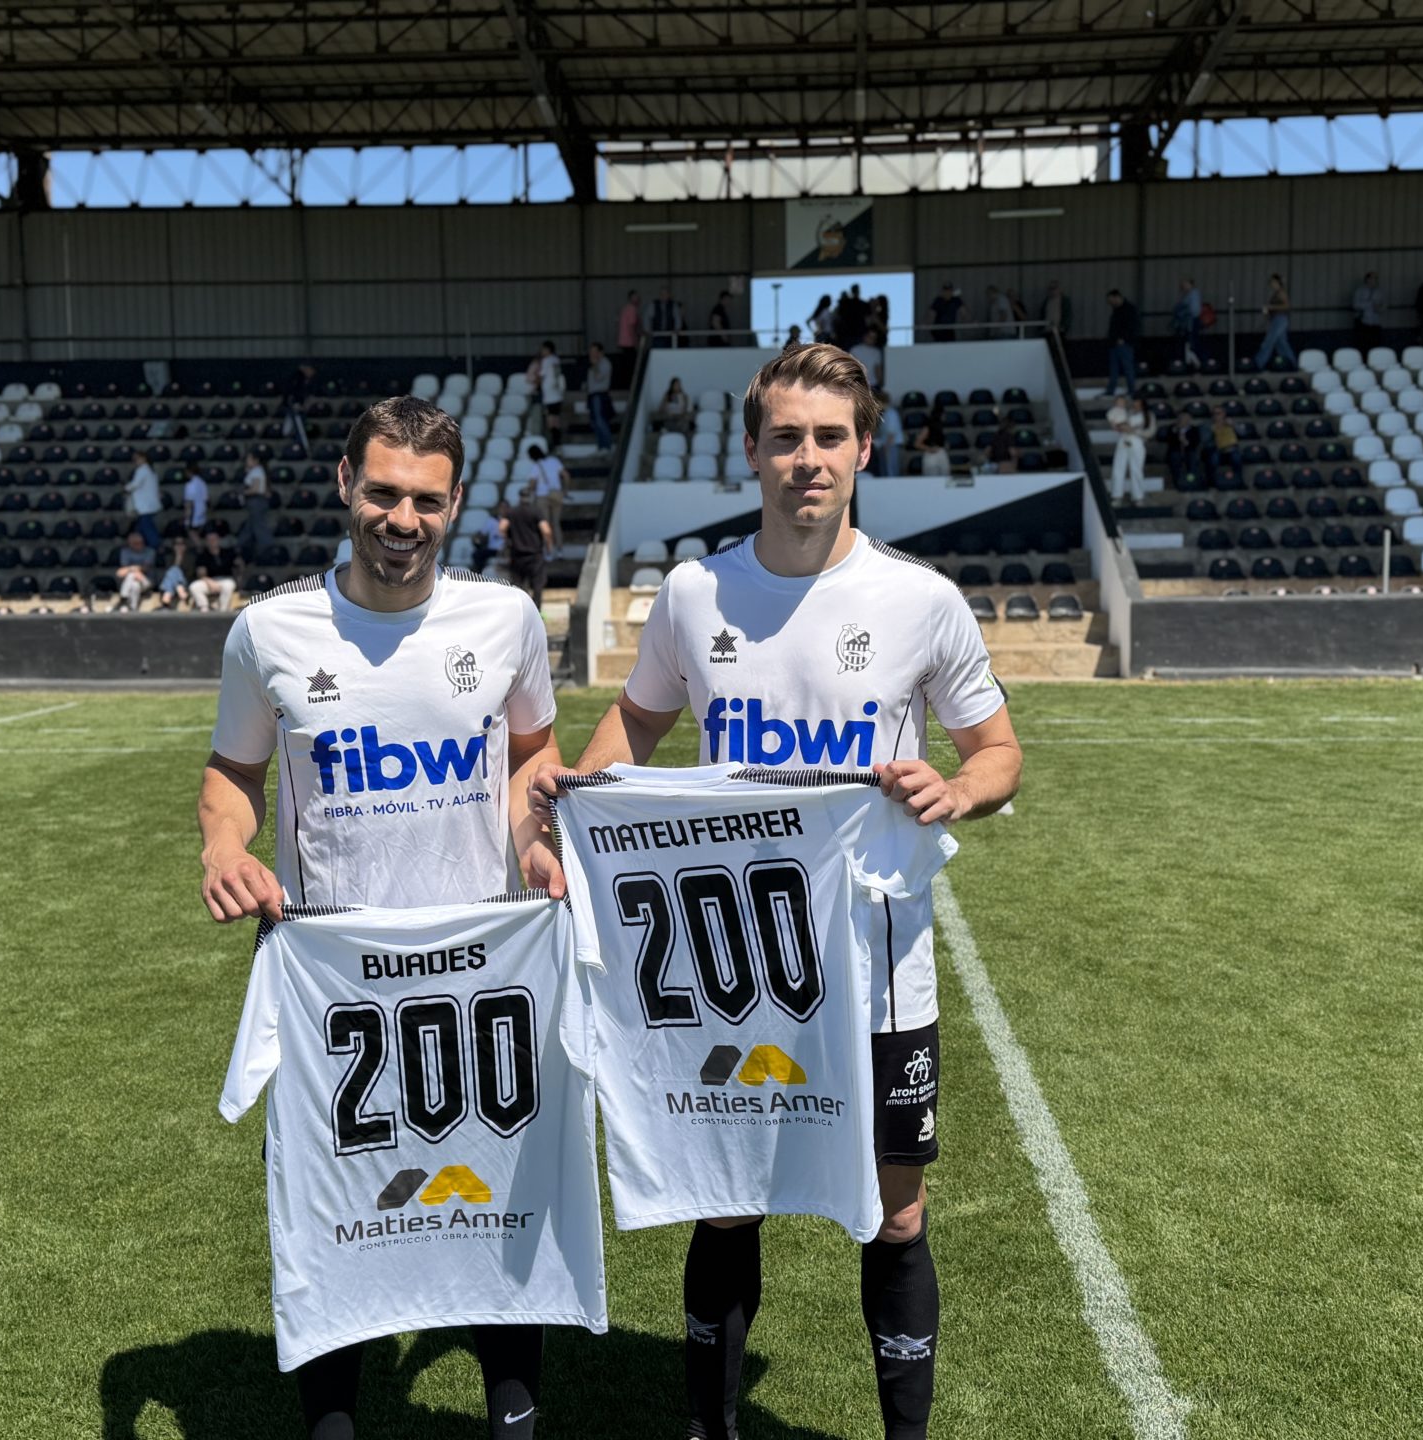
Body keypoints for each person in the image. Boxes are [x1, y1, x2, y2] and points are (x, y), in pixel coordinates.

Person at [529, 342, 1022, 1440]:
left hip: (877, 966)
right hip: (730, 969)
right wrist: (577, 806)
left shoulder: (921, 601)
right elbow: (637, 723)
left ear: (864, 450)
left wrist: (957, 788)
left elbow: (999, 752)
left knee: (896, 1217)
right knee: (726, 1203)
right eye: (787, 438)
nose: (809, 459)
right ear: (751, 451)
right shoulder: (695, 592)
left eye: (830, 438)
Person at [199, 393, 564, 1440]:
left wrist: (533, 837)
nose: (403, 520)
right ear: (346, 485)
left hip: (482, 972)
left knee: (499, 1200)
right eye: (384, 494)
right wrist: (226, 848)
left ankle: (513, 1418)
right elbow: (232, 774)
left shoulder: (504, 620)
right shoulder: (268, 631)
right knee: (335, 1216)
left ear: (456, 504)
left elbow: (533, 751)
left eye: (427, 502)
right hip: (334, 982)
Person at [499, 484, 553, 608]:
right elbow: (546, 531)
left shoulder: (511, 512)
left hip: (517, 554)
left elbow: (502, 527)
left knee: (518, 586)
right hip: (535, 555)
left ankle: (521, 610)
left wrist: (508, 540)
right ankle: (536, 610)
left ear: (519, 497)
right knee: (537, 585)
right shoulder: (536, 511)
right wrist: (549, 546)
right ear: (530, 497)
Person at [1106, 397, 1152, 502]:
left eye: (1138, 402)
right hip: (1123, 440)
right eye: (1135, 401)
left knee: (1136, 469)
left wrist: (1133, 430)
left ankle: (1138, 496)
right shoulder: (1126, 412)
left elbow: (1150, 432)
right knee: (1118, 468)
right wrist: (1118, 426)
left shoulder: (1148, 415)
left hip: (1137, 441)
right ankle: (1117, 496)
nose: (1136, 403)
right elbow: (1117, 423)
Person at [525, 442, 566, 543]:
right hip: (556, 494)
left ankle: (548, 548)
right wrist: (565, 491)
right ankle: (559, 547)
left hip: (542, 497)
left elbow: (533, 484)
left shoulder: (536, 466)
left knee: (545, 524)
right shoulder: (554, 461)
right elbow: (566, 475)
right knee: (556, 523)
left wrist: (528, 490)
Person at [1254, 274, 1295, 370]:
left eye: (1273, 282)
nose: (1271, 284)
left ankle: (1259, 363)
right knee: (1281, 343)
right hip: (1275, 319)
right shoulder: (1276, 294)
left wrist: (1271, 307)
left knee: (1269, 341)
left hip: (1280, 319)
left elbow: (1287, 306)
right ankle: (1291, 363)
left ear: (1277, 282)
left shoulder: (1281, 293)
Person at [191, 530, 239, 613]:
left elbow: (238, 566)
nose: (212, 541)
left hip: (226, 580)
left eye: (214, 539)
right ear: (206, 542)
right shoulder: (203, 555)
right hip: (209, 581)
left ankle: (223, 610)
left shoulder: (228, 553)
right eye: (209, 540)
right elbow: (201, 574)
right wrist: (211, 583)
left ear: (219, 540)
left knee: (228, 585)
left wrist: (240, 575)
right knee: (194, 586)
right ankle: (204, 608)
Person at [126, 450, 163, 551]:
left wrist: (126, 488)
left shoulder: (142, 470)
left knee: (146, 526)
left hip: (145, 505)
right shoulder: (151, 471)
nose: (135, 461)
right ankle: (139, 546)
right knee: (139, 528)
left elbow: (135, 484)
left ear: (143, 459)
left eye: (137, 459)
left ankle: (156, 546)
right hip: (149, 504)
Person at [1104, 289, 1139, 396]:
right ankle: (1111, 390)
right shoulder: (1116, 310)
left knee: (1127, 367)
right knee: (1113, 369)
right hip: (1114, 343)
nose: (1110, 303)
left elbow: (1132, 326)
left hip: (1124, 343)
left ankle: (1131, 390)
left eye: (1111, 301)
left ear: (1117, 297)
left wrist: (1124, 339)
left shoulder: (1129, 309)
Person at [239, 450, 273, 561]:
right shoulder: (256, 471)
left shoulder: (257, 471)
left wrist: (243, 492)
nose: (247, 461)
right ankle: (240, 546)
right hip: (256, 502)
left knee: (259, 527)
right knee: (250, 526)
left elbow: (256, 488)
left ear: (256, 460)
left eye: (249, 459)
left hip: (256, 501)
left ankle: (268, 549)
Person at [112, 530, 155, 612]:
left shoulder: (150, 551)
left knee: (131, 575)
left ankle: (123, 598)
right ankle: (133, 608)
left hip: (146, 581)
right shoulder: (125, 552)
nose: (138, 545)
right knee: (135, 584)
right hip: (132, 582)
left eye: (139, 543)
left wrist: (132, 570)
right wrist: (133, 570)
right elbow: (121, 572)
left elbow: (146, 568)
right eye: (134, 543)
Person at [536, 342, 566, 447]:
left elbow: (541, 375)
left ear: (548, 350)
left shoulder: (547, 360)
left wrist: (537, 384)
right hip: (557, 394)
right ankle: (557, 442)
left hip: (550, 396)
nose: (542, 352)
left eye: (543, 349)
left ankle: (554, 442)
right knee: (556, 419)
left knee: (551, 420)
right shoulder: (556, 360)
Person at [585, 343, 615, 452]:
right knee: (594, 422)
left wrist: (595, 364)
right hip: (592, 395)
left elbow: (598, 377)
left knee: (600, 420)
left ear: (600, 352)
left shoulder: (604, 363)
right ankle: (601, 446)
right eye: (591, 351)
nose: (592, 354)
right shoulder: (593, 365)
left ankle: (607, 446)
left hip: (600, 395)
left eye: (594, 351)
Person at [282, 363, 317, 448]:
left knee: (297, 428)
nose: (312, 373)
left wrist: (305, 405)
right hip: (293, 408)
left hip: (300, 408)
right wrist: (294, 404)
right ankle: (300, 444)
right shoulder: (297, 379)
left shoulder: (307, 381)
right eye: (310, 370)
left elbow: (308, 395)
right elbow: (289, 394)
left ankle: (300, 444)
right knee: (289, 430)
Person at [1205, 404, 1242, 485]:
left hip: (1232, 449)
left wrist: (1234, 425)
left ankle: (1239, 481)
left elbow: (1243, 433)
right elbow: (1205, 441)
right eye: (1214, 414)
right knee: (1213, 461)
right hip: (1218, 450)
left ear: (1224, 413)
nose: (1216, 416)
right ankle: (1212, 483)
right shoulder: (1209, 425)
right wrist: (1211, 432)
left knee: (1237, 459)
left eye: (1218, 413)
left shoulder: (1231, 422)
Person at [871, 388, 904, 477]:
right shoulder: (884, 414)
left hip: (891, 445)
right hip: (884, 445)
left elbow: (891, 434)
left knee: (891, 470)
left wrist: (887, 447)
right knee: (884, 470)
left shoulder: (891, 414)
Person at [1172, 278, 1203, 369]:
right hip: (1186, 323)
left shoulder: (1193, 294)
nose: (1183, 286)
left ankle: (1195, 363)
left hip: (1190, 322)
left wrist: (1182, 313)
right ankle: (1189, 362)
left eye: (1185, 284)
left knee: (1191, 342)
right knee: (1186, 343)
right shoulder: (1187, 295)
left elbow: (1194, 310)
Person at [913, 405, 952, 477]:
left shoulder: (941, 427)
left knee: (945, 478)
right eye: (943, 414)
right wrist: (929, 448)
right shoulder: (928, 427)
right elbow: (917, 444)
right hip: (931, 456)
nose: (945, 416)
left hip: (941, 453)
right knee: (932, 479)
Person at [1352, 272, 1384, 351]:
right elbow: (1355, 305)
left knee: (1376, 344)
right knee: (1363, 344)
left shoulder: (1379, 291)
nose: (1374, 280)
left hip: (1375, 322)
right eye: (1372, 278)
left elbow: (1384, 305)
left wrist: (1379, 308)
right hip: (1363, 322)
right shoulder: (1360, 291)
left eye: (1376, 278)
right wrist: (1369, 304)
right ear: (1367, 279)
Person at [157, 537, 193, 610]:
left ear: (185, 546)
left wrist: (180, 557)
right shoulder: (169, 557)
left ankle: (166, 597)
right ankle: (180, 590)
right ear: (173, 546)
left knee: (174, 569)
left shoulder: (190, 557)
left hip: (186, 581)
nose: (179, 546)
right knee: (173, 570)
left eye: (181, 544)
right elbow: (168, 573)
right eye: (177, 544)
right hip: (172, 583)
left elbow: (190, 573)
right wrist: (178, 557)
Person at [617, 289, 643, 383]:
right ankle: (630, 383)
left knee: (626, 363)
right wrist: (635, 340)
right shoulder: (632, 309)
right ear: (631, 298)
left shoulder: (625, 308)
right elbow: (631, 326)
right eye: (635, 297)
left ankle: (626, 382)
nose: (637, 299)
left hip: (623, 341)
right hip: (629, 342)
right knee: (631, 364)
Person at [182, 466, 210, 533]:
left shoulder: (190, 485)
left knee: (192, 532)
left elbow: (189, 503)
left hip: (193, 512)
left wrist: (186, 517)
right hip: (202, 511)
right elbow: (207, 499)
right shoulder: (202, 483)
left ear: (189, 472)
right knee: (198, 532)